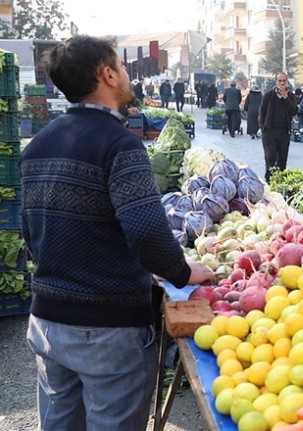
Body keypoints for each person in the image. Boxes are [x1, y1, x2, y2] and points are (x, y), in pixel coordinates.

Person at [18, 35, 215, 431]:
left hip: (47, 321)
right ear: (107, 74)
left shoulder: (38, 144)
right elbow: (146, 232)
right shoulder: (121, 145)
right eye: (122, 68)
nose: (127, 75)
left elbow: (30, 230)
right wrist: (181, 272)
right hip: (106, 330)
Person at [258, 72, 298, 181]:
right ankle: (269, 181)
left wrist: (286, 98)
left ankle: (280, 182)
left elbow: (294, 111)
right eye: (279, 81)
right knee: (270, 158)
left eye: (284, 81)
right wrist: (263, 128)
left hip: (284, 132)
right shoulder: (268, 95)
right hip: (270, 132)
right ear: (276, 82)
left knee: (282, 159)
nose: (282, 83)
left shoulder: (290, 96)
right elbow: (262, 112)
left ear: (287, 82)